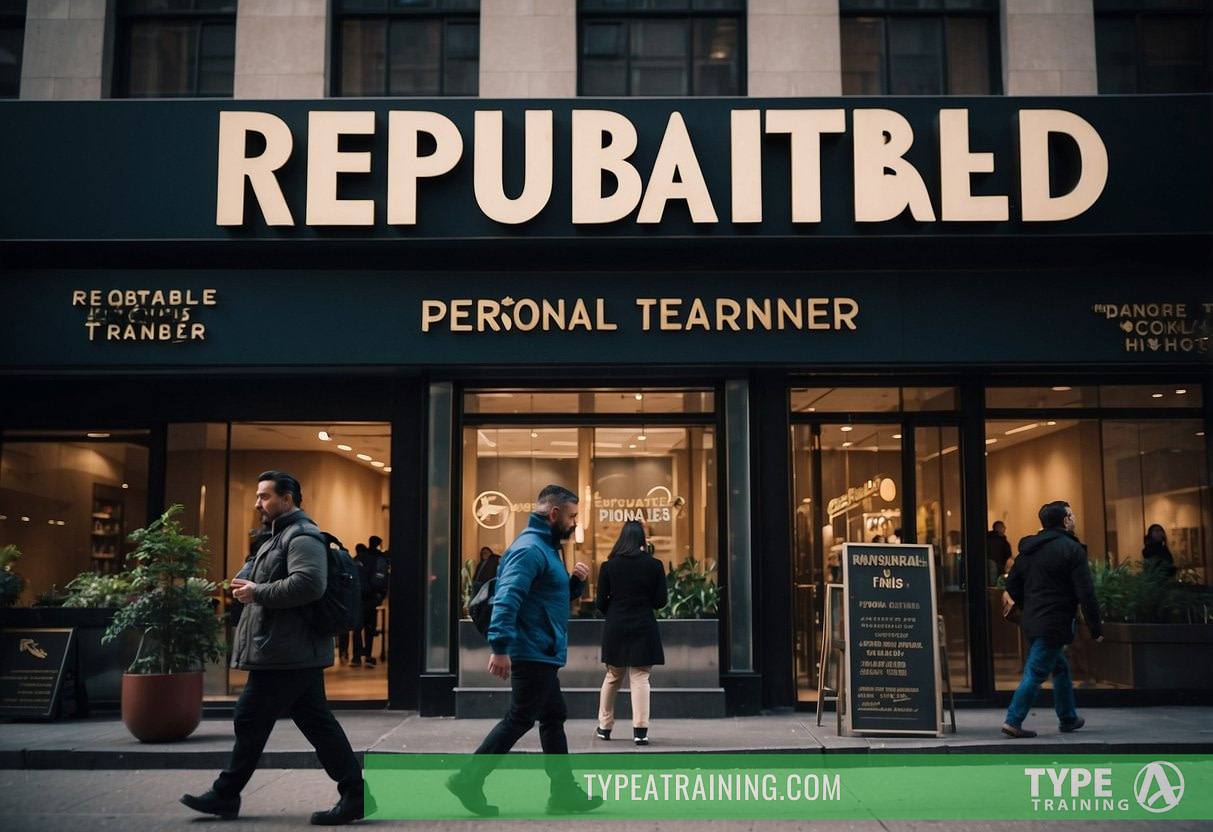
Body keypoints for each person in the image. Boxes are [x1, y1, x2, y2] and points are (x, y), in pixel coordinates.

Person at [181, 471, 372, 825]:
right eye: (257, 496)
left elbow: (309, 584)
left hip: (288, 651)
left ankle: (226, 792)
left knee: (250, 717)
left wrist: (258, 592)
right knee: (316, 723)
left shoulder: (302, 537)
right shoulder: (276, 537)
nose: (258, 503)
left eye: (265, 496)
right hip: (288, 650)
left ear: (287, 499)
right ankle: (355, 793)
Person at [445, 484, 603, 817]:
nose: (575, 523)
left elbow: (545, 597)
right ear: (555, 514)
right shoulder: (530, 549)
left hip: (541, 648)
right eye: (572, 516)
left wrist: (574, 584)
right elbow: (507, 598)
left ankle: (562, 792)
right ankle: (468, 779)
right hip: (531, 649)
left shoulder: (546, 549)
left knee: (552, 715)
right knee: (520, 718)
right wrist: (500, 647)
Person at [1001, 500, 1104, 739]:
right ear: (1066, 521)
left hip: (1032, 621)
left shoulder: (1028, 550)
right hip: (1055, 622)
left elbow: (1012, 586)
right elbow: (1085, 592)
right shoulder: (1072, 549)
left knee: (1060, 668)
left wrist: (1031, 605)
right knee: (1036, 671)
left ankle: (1068, 718)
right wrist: (1095, 628)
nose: (1074, 518)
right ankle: (1013, 720)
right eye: (1072, 515)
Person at [595, 521, 667, 746]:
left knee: (613, 676)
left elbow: (600, 603)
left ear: (622, 539)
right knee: (641, 677)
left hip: (616, 625)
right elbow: (660, 601)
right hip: (643, 624)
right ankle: (640, 730)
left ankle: (605, 727)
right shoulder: (655, 565)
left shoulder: (609, 566)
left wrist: (615, 610)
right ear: (642, 539)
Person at [352, 538, 387, 667]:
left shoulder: (358, 559)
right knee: (369, 628)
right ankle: (368, 655)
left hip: (358, 598)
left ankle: (356, 657)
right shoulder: (379, 558)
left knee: (357, 628)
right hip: (371, 598)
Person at [986, 521, 1013, 585]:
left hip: (992, 567)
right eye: (1003, 526)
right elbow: (1008, 554)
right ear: (998, 528)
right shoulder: (1002, 541)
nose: (1005, 528)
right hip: (998, 567)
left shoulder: (987, 539)